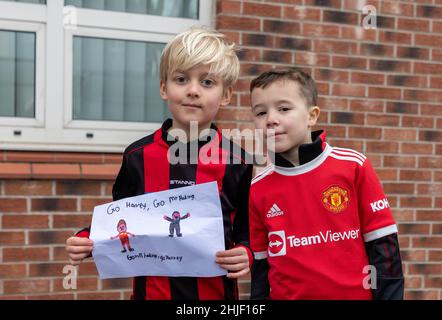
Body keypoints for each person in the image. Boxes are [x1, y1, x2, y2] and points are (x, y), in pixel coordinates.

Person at [66, 27, 254, 300]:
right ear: (164, 88)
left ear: (226, 95)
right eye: (181, 79)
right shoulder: (137, 156)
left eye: (207, 82)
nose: (193, 90)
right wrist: (87, 237)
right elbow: (119, 219)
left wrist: (246, 252)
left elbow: (248, 230)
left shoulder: (238, 162)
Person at [248, 67, 404, 300]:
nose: (271, 119)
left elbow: (384, 249)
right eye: (260, 113)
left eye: (283, 109)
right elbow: (260, 268)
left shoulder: (353, 167)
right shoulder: (258, 187)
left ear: (312, 115)